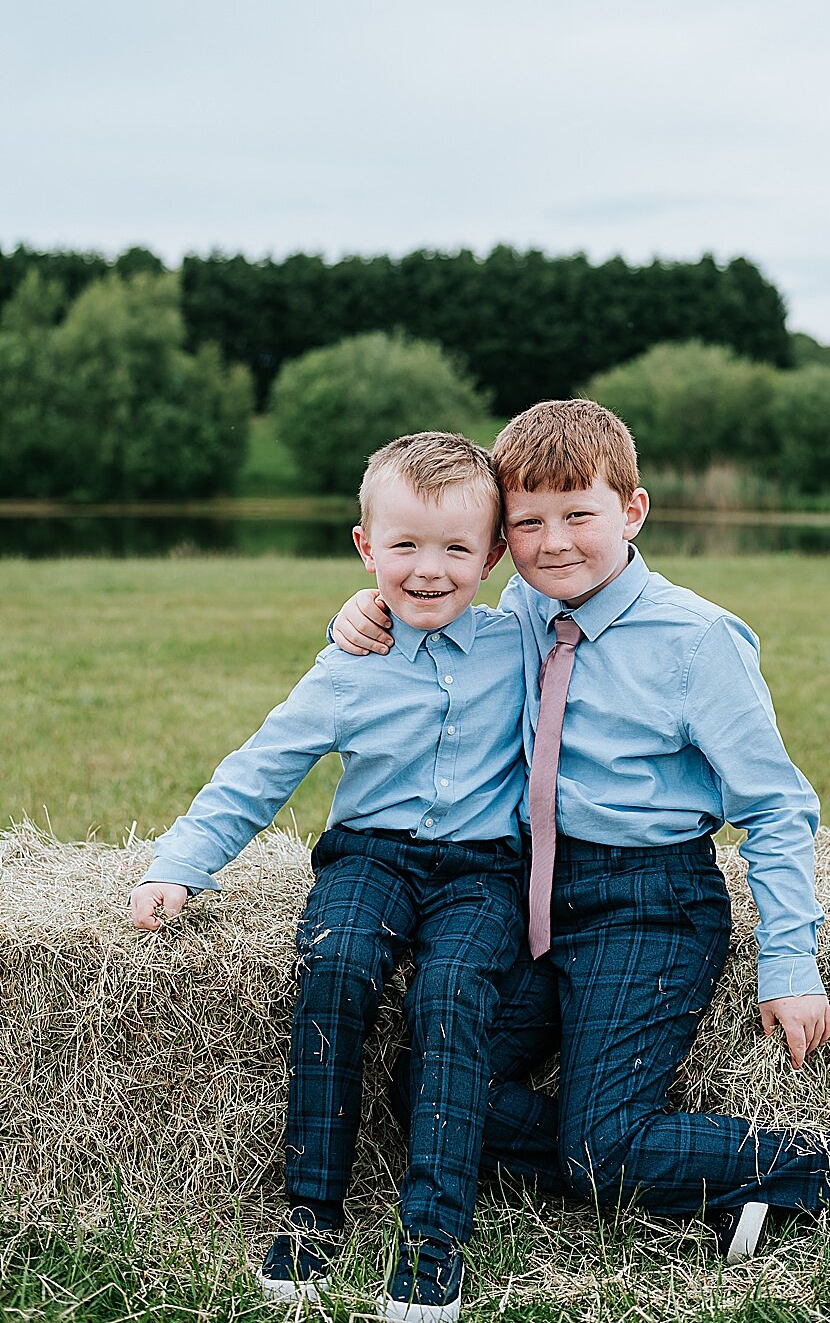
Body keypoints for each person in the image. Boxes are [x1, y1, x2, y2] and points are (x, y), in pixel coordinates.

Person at [331, 399, 830, 1276]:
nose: (554, 542)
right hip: (533, 900)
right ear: (500, 540)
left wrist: (790, 963)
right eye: (528, 523)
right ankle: (703, 1183)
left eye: (579, 516)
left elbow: (777, 806)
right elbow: (426, 595)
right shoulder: (521, 608)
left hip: (650, 904)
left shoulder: (698, 639)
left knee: (602, 1148)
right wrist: (362, 611)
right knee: (428, 1090)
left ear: (632, 512)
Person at [131, 432, 529, 1322]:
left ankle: (433, 1239)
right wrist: (180, 867)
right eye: (405, 547)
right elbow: (260, 768)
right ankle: (312, 1209)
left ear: (495, 555)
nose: (429, 571)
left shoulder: (524, 644)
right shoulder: (349, 661)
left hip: (484, 874)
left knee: (451, 994)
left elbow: (598, 589)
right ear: (365, 548)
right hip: (370, 857)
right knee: (337, 965)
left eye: (457, 549)